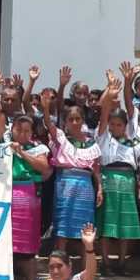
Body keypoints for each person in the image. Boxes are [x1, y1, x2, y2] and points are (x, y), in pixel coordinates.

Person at [0, 74, 51, 280]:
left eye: (26, 131)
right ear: (12, 129)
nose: (22, 134)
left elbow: (44, 168)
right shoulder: (4, 142)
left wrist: (22, 153)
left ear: (31, 132)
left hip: (28, 200)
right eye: (19, 130)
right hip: (6, 197)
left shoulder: (37, 148)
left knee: (27, 249)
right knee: (5, 245)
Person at [40, 87, 102, 259]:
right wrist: (46, 108)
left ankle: (87, 267)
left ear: (82, 121)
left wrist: (100, 189)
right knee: (63, 224)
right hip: (65, 185)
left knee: (85, 226)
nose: (74, 122)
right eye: (71, 119)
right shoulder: (60, 139)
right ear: (66, 122)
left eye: (78, 119)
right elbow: (48, 124)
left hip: (85, 187)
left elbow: (96, 168)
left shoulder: (91, 143)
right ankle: (60, 262)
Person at [95, 73, 140, 275]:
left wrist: (139, 186)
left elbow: (139, 166)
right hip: (109, 181)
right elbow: (103, 114)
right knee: (107, 225)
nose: (115, 127)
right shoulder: (103, 138)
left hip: (127, 182)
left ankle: (122, 263)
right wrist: (109, 95)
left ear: (125, 126)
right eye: (112, 124)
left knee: (125, 225)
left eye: (119, 124)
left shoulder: (133, 142)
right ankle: (106, 262)